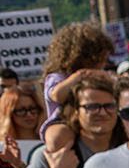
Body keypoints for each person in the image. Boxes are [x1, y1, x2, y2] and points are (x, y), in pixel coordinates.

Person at [39, 22, 115, 158]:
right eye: (100, 59)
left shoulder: (100, 74)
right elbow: (56, 95)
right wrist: (77, 77)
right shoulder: (58, 77)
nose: (103, 63)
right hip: (64, 122)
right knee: (61, 136)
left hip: (91, 123)